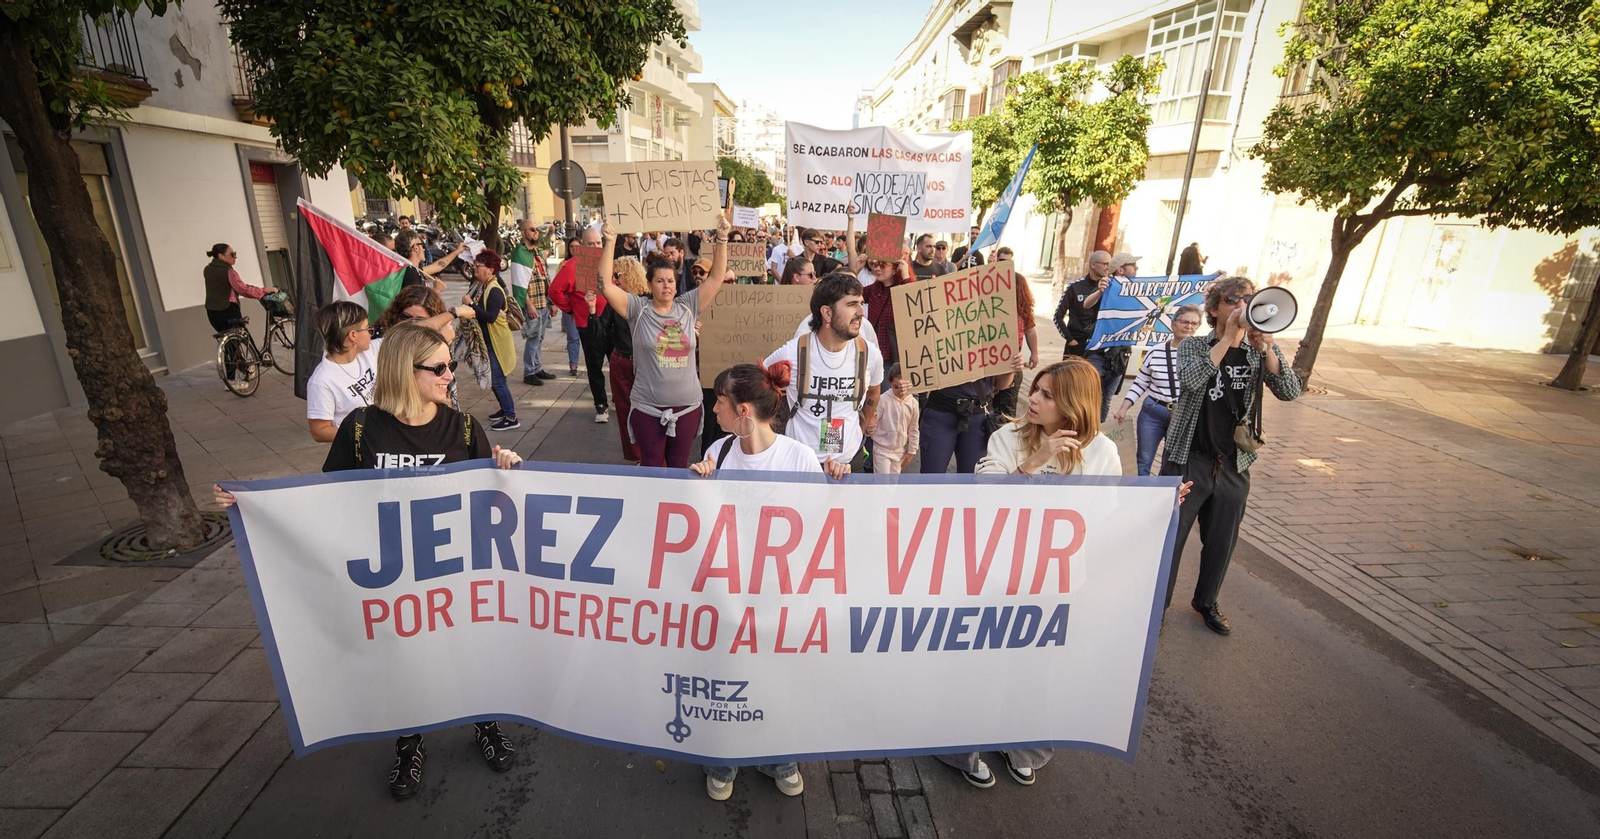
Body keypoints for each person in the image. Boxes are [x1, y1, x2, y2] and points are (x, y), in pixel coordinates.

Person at [214, 322, 523, 802]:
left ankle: (484, 720)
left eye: (451, 365)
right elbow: (325, 498)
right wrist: (252, 505)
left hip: (455, 573)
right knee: (401, 660)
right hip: (391, 577)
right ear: (405, 370)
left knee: (464, 651)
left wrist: (506, 469)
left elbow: (490, 500)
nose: (449, 375)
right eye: (439, 368)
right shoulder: (361, 428)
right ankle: (410, 740)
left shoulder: (464, 426)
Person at [941, 357, 1122, 789]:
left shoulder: (1102, 452)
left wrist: (1157, 510)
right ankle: (958, 746)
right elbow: (985, 500)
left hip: (1054, 582)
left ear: (1073, 405)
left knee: (1033, 668)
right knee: (981, 662)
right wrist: (1034, 460)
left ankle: (1022, 745)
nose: (1032, 399)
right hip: (997, 575)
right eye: (1035, 390)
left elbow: (1108, 519)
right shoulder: (1008, 436)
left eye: (1045, 395)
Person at [688, 361, 824, 802]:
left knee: (775, 678)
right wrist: (696, 488)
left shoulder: (800, 458)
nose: (713, 411)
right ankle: (723, 758)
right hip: (727, 596)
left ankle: (777, 756)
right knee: (726, 676)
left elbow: (822, 530)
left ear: (743, 410)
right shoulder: (718, 455)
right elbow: (700, 527)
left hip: (778, 599)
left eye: (720, 403)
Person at [1161, 276, 1301, 636]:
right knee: (1170, 539)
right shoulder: (1193, 346)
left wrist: (1266, 346)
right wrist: (1228, 339)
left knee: (1222, 541)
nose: (1244, 304)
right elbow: (1192, 380)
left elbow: (1289, 390)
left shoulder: (1259, 348)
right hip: (1190, 458)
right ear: (1214, 309)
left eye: (1250, 299)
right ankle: (1156, 606)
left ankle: (1206, 601)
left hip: (1234, 464)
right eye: (1234, 299)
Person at [598, 214, 731, 468]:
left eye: (670, 281)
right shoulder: (637, 309)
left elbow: (716, 278)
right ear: (649, 284)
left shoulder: (689, 305)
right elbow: (604, 284)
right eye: (659, 281)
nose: (666, 286)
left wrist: (722, 239)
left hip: (687, 409)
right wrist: (609, 241)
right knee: (652, 468)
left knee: (679, 468)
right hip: (648, 409)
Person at [764, 271, 883, 477]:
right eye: (851, 304)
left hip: (849, 463)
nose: (861, 312)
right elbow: (756, 387)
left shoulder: (869, 354)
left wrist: (860, 430)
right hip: (800, 465)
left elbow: (874, 392)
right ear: (827, 313)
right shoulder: (793, 353)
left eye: (861, 303)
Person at [1114, 304, 1203, 476]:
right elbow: (1140, 383)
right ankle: (1141, 498)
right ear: (1173, 324)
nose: (1189, 326)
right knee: (1143, 460)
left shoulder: (1201, 354)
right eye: (1184, 322)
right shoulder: (1155, 352)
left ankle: (1164, 499)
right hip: (1153, 412)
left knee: (1172, 463)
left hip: (1182, 414)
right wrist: (1123, 408)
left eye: (1194, 323)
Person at [920, 353, 1022, 474]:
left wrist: (1010, 368)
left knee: (972, 479)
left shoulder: (992, 338)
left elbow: (1001, 384)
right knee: (932, 479)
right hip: (941, 413)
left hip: (978, 417)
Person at [548, 232, 612, 424]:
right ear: (583, 245)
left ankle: (618, 397)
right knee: (595, 367)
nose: (595, 247)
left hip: (611, 321)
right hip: (587, 324)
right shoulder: (572, 266)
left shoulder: (607, 261)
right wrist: (571, 310)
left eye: (598, 242)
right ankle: (601, 405)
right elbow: (554, 291)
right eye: (590, 243)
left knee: (617, 363)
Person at [597, 256, 648, 463]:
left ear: (630, 275)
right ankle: (635, 456)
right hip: (622, 362)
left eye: (617, 276)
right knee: (625, 411)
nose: (615, 281)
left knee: (649, 410)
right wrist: (592, 312)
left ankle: (650, 453)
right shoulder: (614, 302)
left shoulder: (648, 299)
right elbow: (601, 333)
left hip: (646, 364)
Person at [463, 250, 521, 431]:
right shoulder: (482, 286)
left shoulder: (494, 290)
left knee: (497, 380)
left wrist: (470, 305)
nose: (475, 268)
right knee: (494, 379)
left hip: (497, 343)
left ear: (490, 270)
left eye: (479, 266)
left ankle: (511, 417)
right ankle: (505, 410)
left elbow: (490, 317)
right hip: (489, 341)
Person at [305, 301, 377, 442]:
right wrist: (363, 436)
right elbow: (319, 431)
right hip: (355, 454)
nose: (371, 334)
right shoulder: (322, 381)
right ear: (353, 335)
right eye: (367, 328)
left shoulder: (368, 352)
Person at [986, 246, 1040, 431]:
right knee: (988, 407)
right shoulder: (992, 306)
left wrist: (1034, 354)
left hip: (1012, 363)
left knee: (1007, 410)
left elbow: (1031, 330)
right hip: (990, 362)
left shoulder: (1022, 312)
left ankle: (1002, 440)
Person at [509, 220, 558, 387]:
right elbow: (520, 283)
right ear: (523, 232)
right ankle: (529, 372)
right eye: (532, 230)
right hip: (533, 304)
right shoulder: (519, 253)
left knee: (540, 338)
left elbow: (545, 278)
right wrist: (528, 305)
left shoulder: (536, 252)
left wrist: (551, 302)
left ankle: (537, 368)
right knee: (533, 338)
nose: (535, 232)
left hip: (543, 301)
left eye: (536, 230)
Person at [203, 243, 276, 334]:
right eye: (232, 254)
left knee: (228, 342)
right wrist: (264, 290)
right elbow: (244, 290)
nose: (235, 257)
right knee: (236, 340)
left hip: (212, 312)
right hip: (227, 311)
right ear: (221, 256)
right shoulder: (228, 271)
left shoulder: (207, 269)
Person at [870, 363, 919, 474]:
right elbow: (873, 420)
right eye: (896, 386)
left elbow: (914, 428)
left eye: (902, 387)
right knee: (882, 483)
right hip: (881, 449)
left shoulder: (913, 403)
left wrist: (912, 450)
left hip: (899, 450)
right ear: (890, 383)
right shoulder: (883, 400)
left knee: (893, 484)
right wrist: (870, 427)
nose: (900, 390)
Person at [394, 229, 462, 296]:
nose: (424, 249)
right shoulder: (411, 275)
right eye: (422, 245)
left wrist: (458, 251)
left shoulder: (413, 269)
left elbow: (438, 266)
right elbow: (416, 305)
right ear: (416, 248)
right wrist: (435, 291)